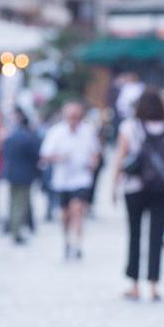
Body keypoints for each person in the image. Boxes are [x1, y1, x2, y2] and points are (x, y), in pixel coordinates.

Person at [113, 87, 164, 301]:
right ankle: (153, 286)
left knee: (134, 235)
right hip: (162, 189)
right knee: (156, 237)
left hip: (134, 187)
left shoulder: (129, 127)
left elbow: (121, 157)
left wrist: (114, 186)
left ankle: (134, 284)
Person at [40, 101, 101, 260]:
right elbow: (45, 155)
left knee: (78, 210)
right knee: (65, 214)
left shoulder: (88, 131)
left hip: (81, 179)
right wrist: (60, 157)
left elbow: (95, 152)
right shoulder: (56, 132)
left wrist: (93, 163)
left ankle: (77, 244)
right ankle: (67, 241)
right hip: (62, 180)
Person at [0, 110, 43, 244]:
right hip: (24, 174)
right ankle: (16, 231)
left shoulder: (10, 137)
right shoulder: (28, 137)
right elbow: (36, 156)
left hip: (11, 173)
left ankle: (13, 227)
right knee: (20, 203)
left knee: (13, 202)